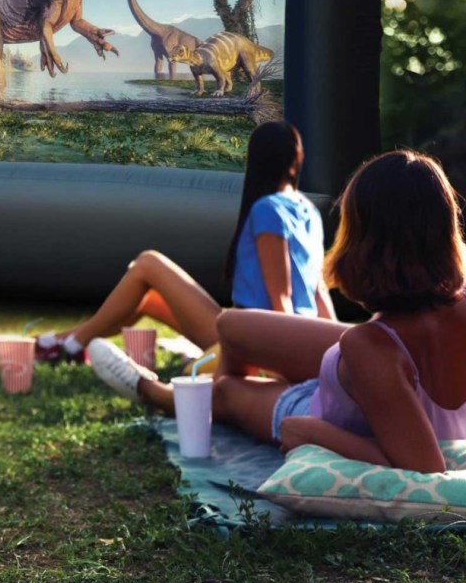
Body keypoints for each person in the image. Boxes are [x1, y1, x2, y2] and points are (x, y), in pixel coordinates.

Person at [210, 150, 466, 473]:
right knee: (231, 325)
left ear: (363, 242)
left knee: (225, 390)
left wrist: (310, 431)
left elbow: (427, 470)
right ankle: (238, 377)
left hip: (316, 407)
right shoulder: (380, 341)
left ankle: (155, 391)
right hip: (365, 377)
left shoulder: (371, 347)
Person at [37, 121, 335, 392]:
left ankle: (71, 343)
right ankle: (62, 342)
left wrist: (285, 362)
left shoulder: (268, 209)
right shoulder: (308, 210)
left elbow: (279, 298)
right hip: (267, 334)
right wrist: (334, 346)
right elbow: (318, 291)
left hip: (252, 341)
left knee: (148, 263)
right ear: (296, 159)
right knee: (147, 297)